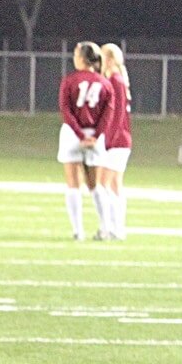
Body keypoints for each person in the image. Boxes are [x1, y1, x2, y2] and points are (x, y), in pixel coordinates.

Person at [57, 41, 116, 241]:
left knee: (73, 185)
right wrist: (96, 136)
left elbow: (66, 111)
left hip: (73, 135)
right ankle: (105, 228)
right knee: (95, 186)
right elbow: (108, 115)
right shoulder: (106, 83)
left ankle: (77, 231)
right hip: (95, 137)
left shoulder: (70, 80)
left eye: (75, 54)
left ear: (82, 58)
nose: (74, 58)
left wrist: (81, 135)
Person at [96, 43, 132, 239]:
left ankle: (109, 229)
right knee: (115, 185)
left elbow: (116, 114)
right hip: (121, 139)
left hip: (116, 141)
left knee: (103, 185)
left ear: (109, 59)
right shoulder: (117, 79)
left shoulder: (115, 80)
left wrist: (107, 140)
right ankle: (118, 230)